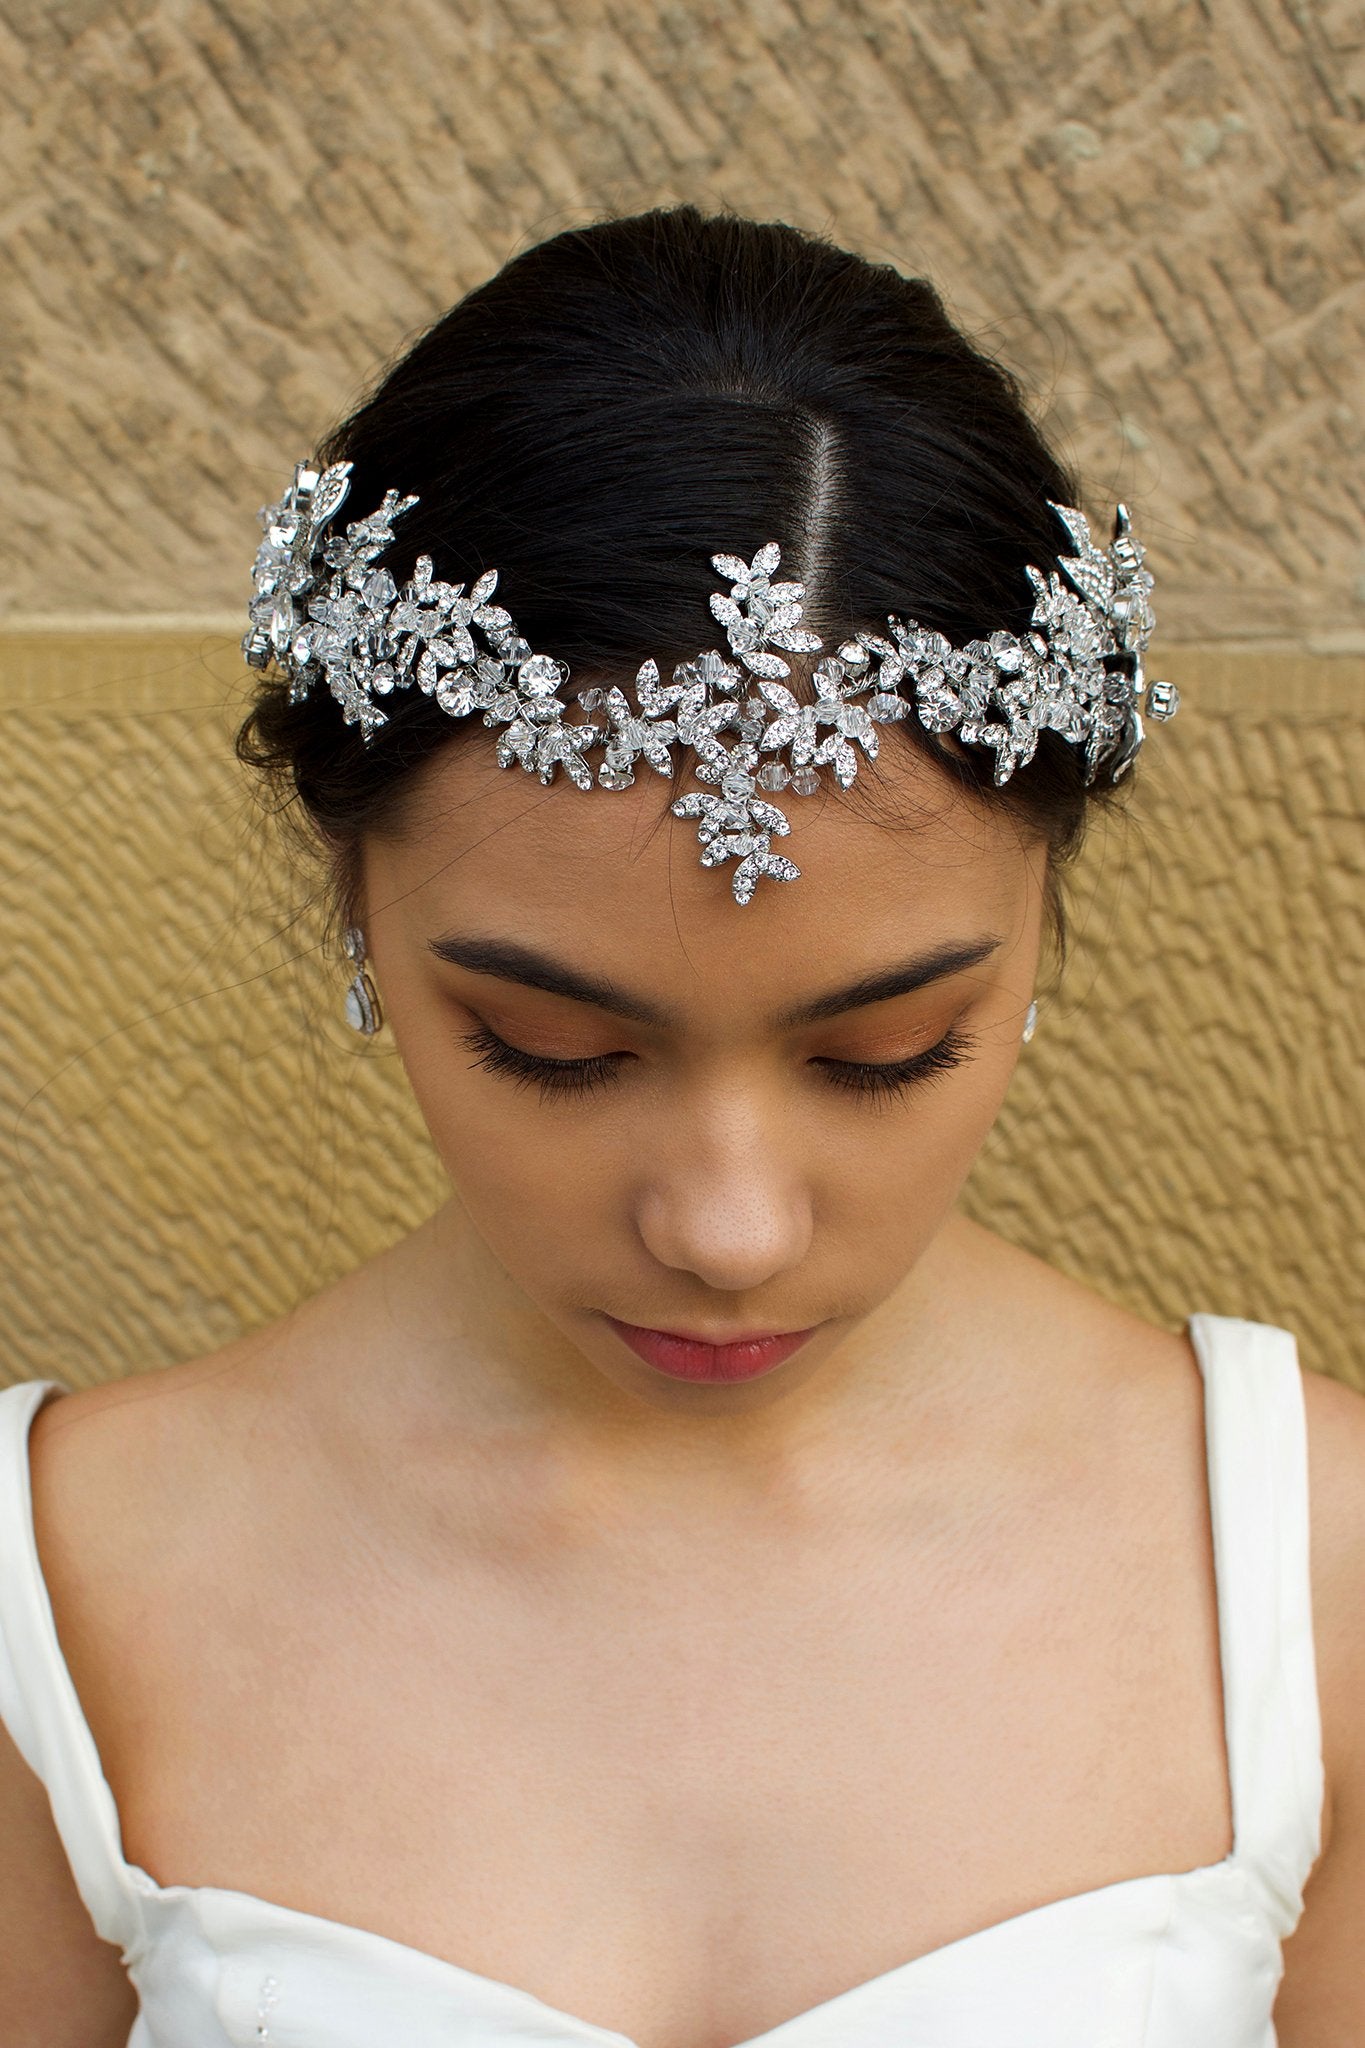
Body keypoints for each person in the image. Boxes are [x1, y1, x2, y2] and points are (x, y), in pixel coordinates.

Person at [1, 205, 1361, 2048]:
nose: (727, 1230)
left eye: (885, 1051)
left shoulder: (1312, 1577)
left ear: (1039, 920)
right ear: (354, 905)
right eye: (550, 1046)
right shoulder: (58, 1592)